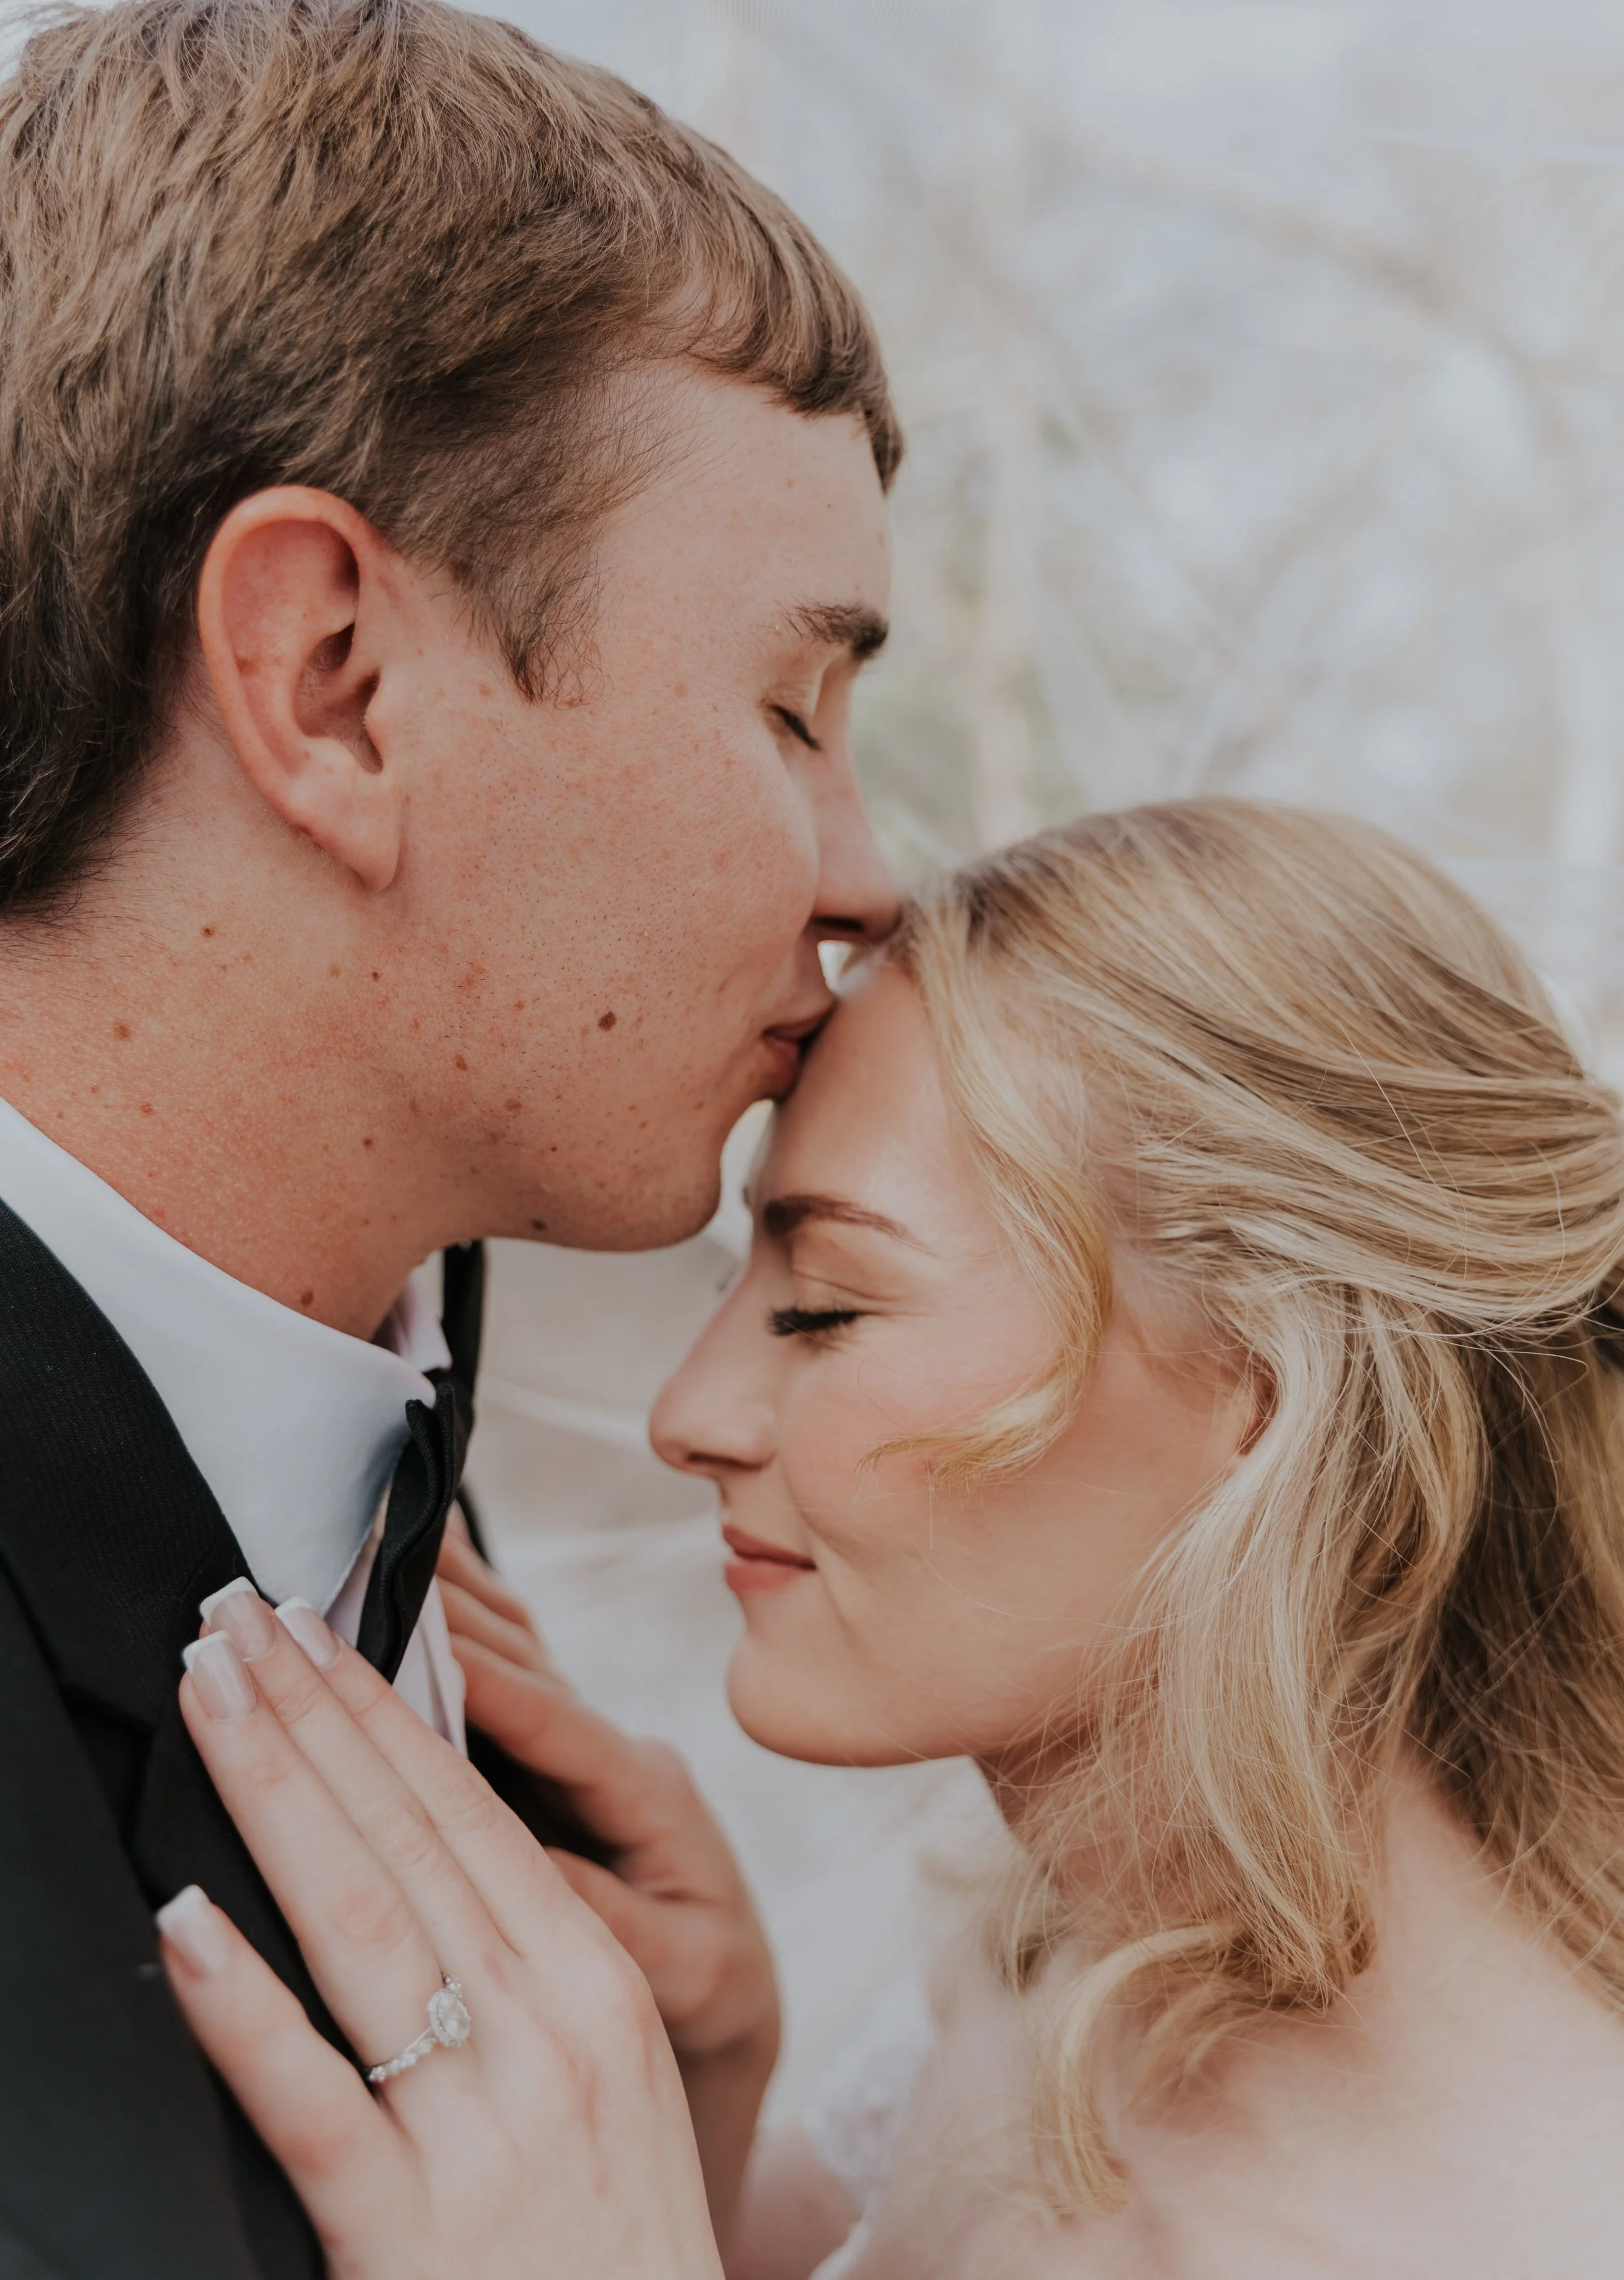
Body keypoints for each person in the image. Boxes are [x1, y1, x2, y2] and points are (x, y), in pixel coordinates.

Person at [175, 800, 1624, 2276]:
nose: (688, 1414)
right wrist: (716, 2067)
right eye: (745, 1289)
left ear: (1262, 1386)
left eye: (825, 1309)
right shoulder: (1038, 1979)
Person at [0, 0, 900, 2279]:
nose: (869, 876)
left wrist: (697, 2157)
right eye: (792, 704)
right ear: (335, 688)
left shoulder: (424, 1494)